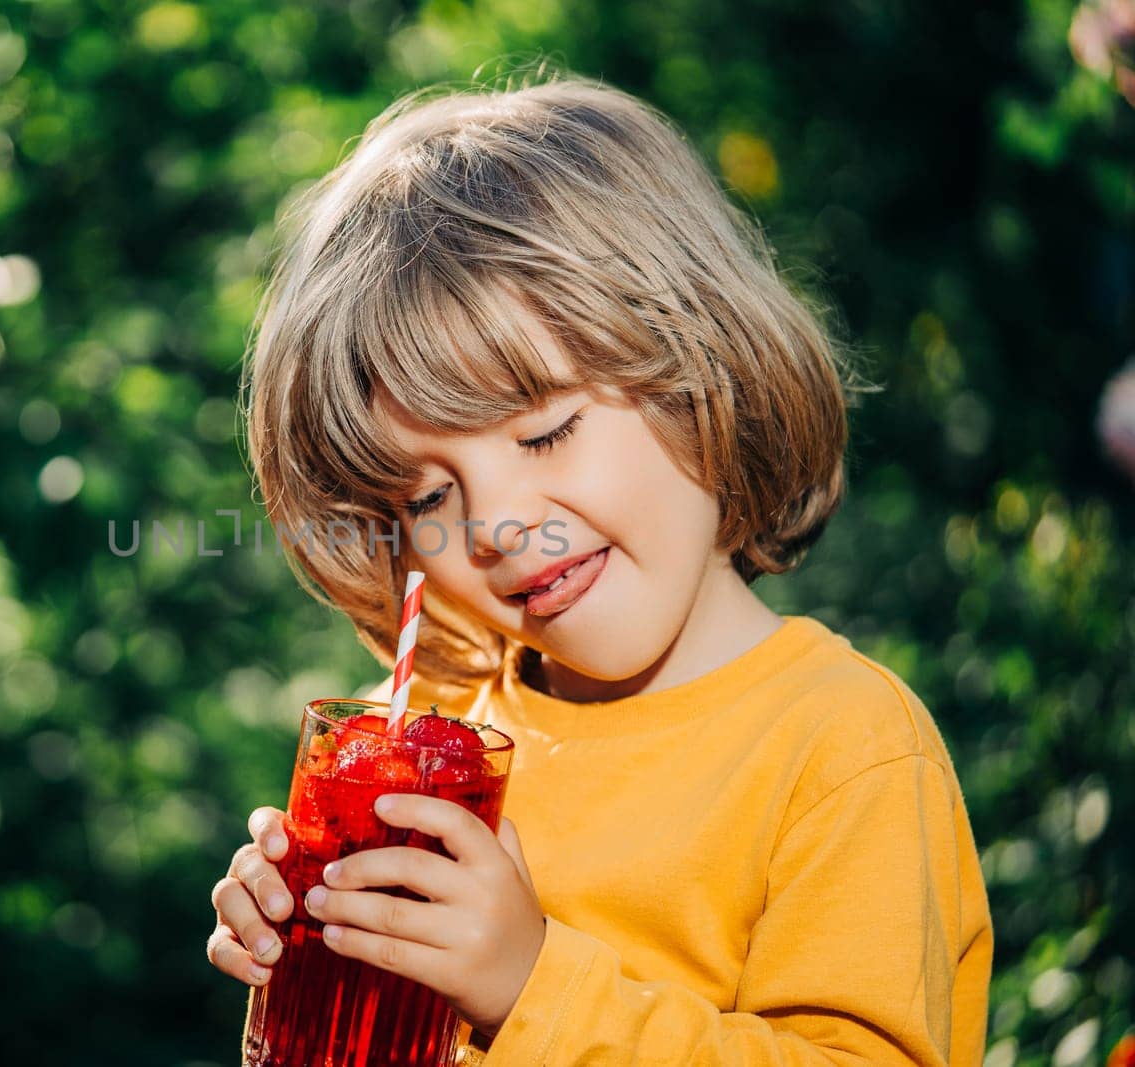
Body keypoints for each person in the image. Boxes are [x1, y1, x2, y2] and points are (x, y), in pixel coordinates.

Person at [206, 70, 993, 1065]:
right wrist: (313, 942)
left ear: (703, 363)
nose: (493, 525)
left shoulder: (841, 750)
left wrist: (529, 984)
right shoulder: (432, 742)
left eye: (545, 432)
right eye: (427, 498)